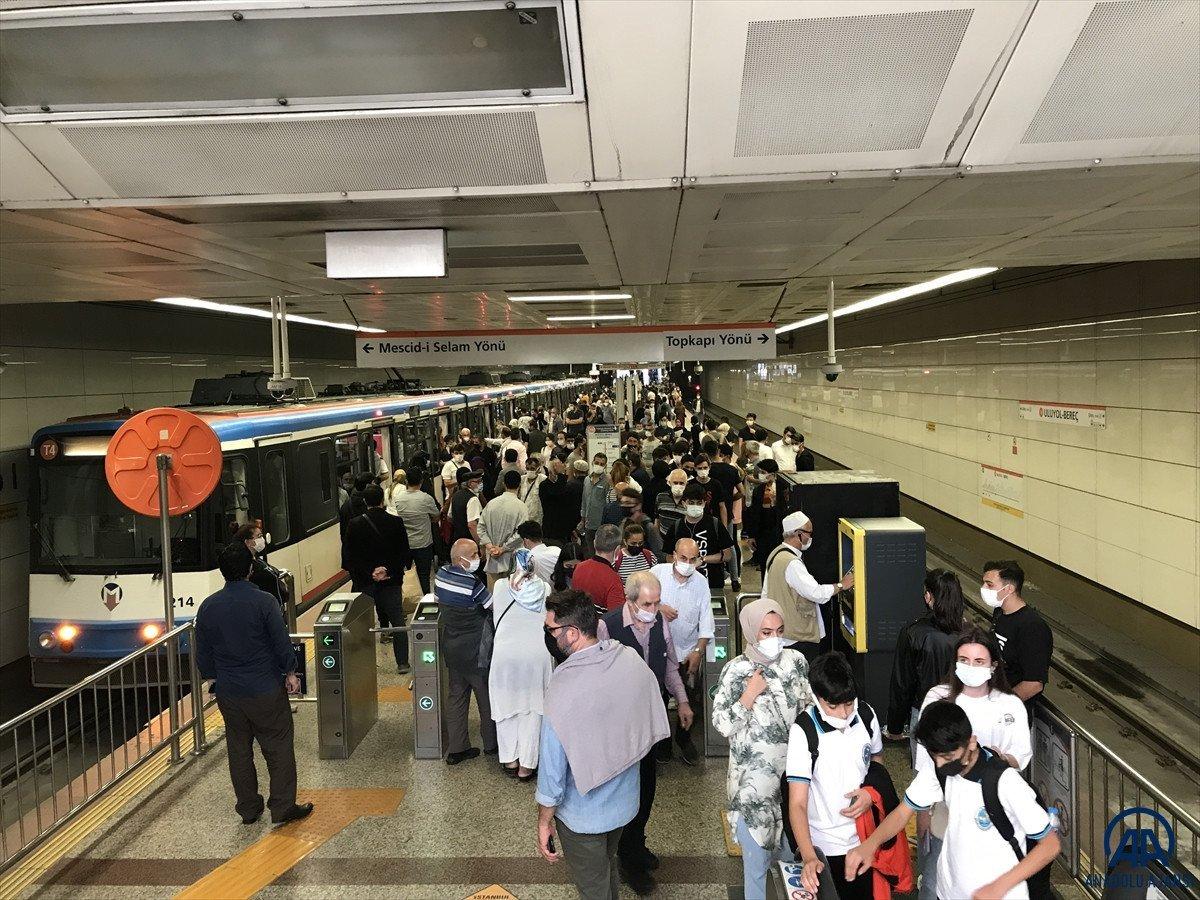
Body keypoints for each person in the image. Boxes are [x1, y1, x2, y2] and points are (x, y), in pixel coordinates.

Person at [845, 701, 1059, 900]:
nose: (940, 764)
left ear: (972, 742)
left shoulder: (1005, 782)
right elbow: (902, 813)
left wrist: (999, 887)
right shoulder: (939, 771)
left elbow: (1050, 845)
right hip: (949, 892)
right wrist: (870, 844)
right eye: (934, 755)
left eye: (947, 757)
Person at [535, 589, 670, 900]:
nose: (548, 635)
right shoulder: (628, 659)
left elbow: (552, 769)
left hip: (585, 815)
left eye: (550, 629)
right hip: (625, 804)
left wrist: (544, 820)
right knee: (607, 867)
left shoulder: (562, 686)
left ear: (570, 633)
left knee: (594, 886)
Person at [195, 543, 312, 826]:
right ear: (250, 569)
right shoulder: (264, 602)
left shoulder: (208, 606)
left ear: (223, 572)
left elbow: (203, 651)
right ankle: (282, 806)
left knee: (238, 749)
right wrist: (291, 673)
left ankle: (248, 809)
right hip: (265, 687)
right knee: (278, 746)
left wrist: (213, 676)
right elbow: (281, 642)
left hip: (230, 692)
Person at [913, 626, 1033, 900]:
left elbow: (1021, 758)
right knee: (935, 883)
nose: (971, 667)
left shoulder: (1010, 705)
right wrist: (922, 813)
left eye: (979, 661)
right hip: (945, 810)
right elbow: (924, 762)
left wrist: (996, 760)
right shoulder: (937, 698)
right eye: (964, 660)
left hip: (991, 814)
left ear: (993, 665)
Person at [597, 572, 694, 894]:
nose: (653, 609)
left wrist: (681, 700)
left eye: (656, 602)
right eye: (647, 604)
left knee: (647, 787)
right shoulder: (608, 627)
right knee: (627, 790)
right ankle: (629, 859)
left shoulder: (659, 623)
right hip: (619, 725)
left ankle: (637, 844)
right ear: (630, 600)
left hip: (649, 721)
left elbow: (668, 666)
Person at [711, 598, 813, 900]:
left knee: (793, 863)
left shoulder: (795, 662)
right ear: (751, 632)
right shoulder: (735, 672)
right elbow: (722, 725)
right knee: (755, 870)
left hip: (794, 784)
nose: (774, 639)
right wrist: (748, 696)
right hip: (753, 791)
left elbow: (808, 708)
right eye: (766, 632)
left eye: (779, 631)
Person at [785, 652, 883, 900]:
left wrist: (870, 794)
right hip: (824, 846)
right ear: (817, 698)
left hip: (864, 841)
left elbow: (877, 763)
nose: (843, 713)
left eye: (849, 703)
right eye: (833, 705)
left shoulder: (867, 715)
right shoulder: (804, 730)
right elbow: (797, 803)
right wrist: (809, 856)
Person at [489, 548, 554, 780]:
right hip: (537, 655)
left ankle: (510, 759)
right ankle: (527, 764)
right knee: (533, 709)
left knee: (506, 705)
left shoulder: (498, 587)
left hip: (505, 654)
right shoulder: (544, 588)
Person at [433, 539, 498, 764]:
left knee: (457, 697)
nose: (477, 557)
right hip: (476, 650)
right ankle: (491, 744)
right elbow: (492, 607)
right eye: (473, 554)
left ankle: (457, 748)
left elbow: (439, 600)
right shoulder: (473, 583)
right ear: (462, 559)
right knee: (484, 697)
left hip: (451, 647)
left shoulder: (440, 575)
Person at [650, 538, 714, 765]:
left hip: (686, 652)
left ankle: (683, 738)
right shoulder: (657, 573)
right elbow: (635, 600)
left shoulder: (701, 583)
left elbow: (706, 621)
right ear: (674, 556)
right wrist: (658, 607)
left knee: (687, 698)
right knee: (658, 698)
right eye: (683, 558)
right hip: (658, 651)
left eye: (692, 559)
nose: (687, 563)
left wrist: (699, 650)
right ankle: (662, 743)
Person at [885, 569, 965, 747]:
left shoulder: (913, 633)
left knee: (924, 769)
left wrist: (895, 726)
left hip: (924, 712)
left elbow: (902, 684)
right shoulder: (971, 633)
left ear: (929, 596)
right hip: (963, 712)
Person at [766, 511, 853, 664]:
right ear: (798, 534)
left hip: (782, 633)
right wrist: (841, 585)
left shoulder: (775, 554)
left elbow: (765, 593)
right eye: (809, 533)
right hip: (798, 637)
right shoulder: (791, 563)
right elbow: (816, 593)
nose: (810, 537)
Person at [343, 484, 412, 673]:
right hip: (391, 581)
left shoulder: (354, 524)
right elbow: (404, 553)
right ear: (383, 500)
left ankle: (361, 664)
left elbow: (349, 558)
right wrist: (386, 570)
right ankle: (402, 662)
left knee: (360, 624)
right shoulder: (396, 522)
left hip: (364, 583)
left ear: (365, 502)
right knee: (398, 621)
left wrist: (370, 573)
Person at [985, 560, 1053, 704]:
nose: (984, 588)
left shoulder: (1032, 627)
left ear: (1009, 589)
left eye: (989, 584)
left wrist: (1000, 706)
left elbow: (1034, 684)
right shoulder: (999, 613)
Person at [662, 482, 733, 591]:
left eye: (699, 503)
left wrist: (703, 559)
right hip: (683, 585)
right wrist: (683, 565)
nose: (695, 506)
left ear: (704, 504)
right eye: (691, 502)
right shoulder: (676, 527)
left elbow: (727, 555)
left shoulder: (714, 524)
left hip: (712, 583)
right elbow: (668, 556)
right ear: (684, 503)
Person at [388, 469, 441, 596]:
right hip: (423, 543)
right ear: (421, 482)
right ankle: (425, 601)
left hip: (406, 543)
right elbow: (436, 517)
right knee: (424, 575)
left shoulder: (399, 499)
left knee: (406, 574)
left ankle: (407, 600)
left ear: (406, 481)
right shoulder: (426, 498)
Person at [480, 469, 529, 589]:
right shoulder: (521, 507)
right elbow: (521, 533)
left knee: (495, 597)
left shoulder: (491, 504)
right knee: (512, 596)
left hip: (493, 558)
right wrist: (503, 548)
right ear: (520, 484)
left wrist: (491, 547)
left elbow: (481, 528)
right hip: (512, 560)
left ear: (503, 484)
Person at [230, 521, 289, 615]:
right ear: (248, 542)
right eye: (259, 536)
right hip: (263, 613)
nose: (262, 539)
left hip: (273, 609)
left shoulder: (257, 559)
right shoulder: (246, 565)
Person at [710, 444, 745, 591]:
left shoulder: (709, 471)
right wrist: (731, 498)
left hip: (711, 514)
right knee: (730, 545)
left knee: (713, 545)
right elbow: (742, 492)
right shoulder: (732, 470)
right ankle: (735, 579)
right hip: (728, 514)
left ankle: (718, 575)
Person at [571, 523, 626, 611]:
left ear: (594, 543)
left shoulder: (578, 568)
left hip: (578, 620)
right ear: (617, 550)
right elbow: (616, 617)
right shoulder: (613, 579)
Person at [540, 452, 585, 545]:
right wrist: (561, 475)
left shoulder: (565, 486)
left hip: (563, 528)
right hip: (552, 528)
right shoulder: (546, 486)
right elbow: (558, 494)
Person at [518, 520, 561, 584]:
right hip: (564, 591)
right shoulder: (557, 550)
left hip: (543, 592)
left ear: (525, 540)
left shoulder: (527, 559)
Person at [449, 466, 485, 543]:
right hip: (470, 540)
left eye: (481, 481)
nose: (480, 484)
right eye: (477, 481)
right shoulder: (473, 499)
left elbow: (450, 517)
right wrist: (480, 543)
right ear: (469, 484)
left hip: (457, 539)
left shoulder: (456, 495)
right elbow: (472, 525)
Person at [580, 452, 611, 541]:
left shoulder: (607, 481)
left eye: (602, 464)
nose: (599, 465)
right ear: (593, 462)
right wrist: (583, 519)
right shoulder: (586, 480)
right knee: (590, 551)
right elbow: (584, 500)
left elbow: (608, 503)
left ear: (605, 466)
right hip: (588, 523)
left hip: (601, 524)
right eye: (597, 463)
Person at [653, 467, 690, 538]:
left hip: (682, 542)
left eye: (681, 483)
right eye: (675, 483)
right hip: (663, 540)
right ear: (669, 483)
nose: (678, 486)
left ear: (686, 484)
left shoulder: (690, 501)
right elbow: (657, 520)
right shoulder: (661, 497)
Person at [519, 456, 547, 524]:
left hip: (537, 518)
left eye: (532, 469)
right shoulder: (522, 479)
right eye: (527, 468)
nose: (529, 471)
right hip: (523, 517)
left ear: (538, 469)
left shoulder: (543, 480)